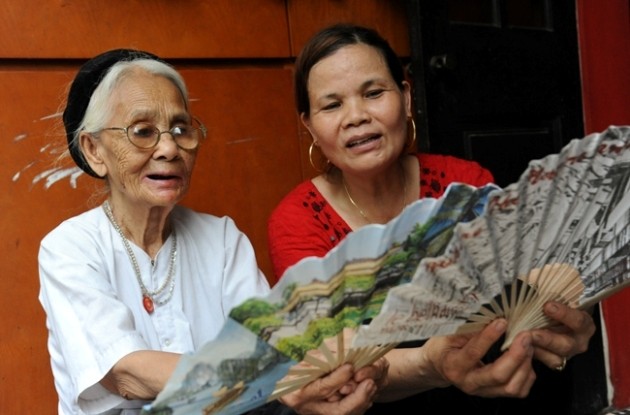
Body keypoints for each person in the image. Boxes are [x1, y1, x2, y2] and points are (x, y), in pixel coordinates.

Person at [37, 48, 387, 415]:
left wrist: (342, 365)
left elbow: (272, 346)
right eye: (143, 132)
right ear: (94, 150)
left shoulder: (220, 238)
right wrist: (278, 379)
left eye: (180, 129)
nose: (170, 148)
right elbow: (127, 374)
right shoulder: (70, 248)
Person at [267, 23, 597, 413]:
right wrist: (432, 363)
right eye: (332, 104)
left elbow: (533, 282)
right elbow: (339, 367)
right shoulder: (298, 220)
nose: (356, 116)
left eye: (373, 93)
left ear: (406, 98)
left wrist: (567, 316)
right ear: (309, 125)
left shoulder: (463, 184)